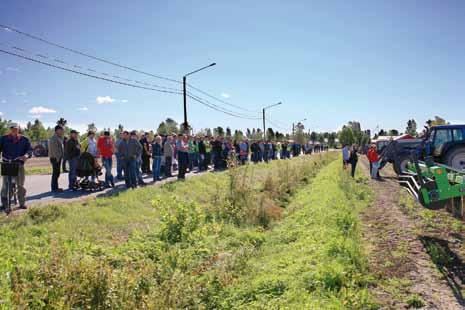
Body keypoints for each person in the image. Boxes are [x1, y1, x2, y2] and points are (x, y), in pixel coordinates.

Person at [0, 123, 32, 211]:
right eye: (12, 128)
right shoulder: (3, 139)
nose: (14, 130)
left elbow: (29, 150)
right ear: (9, 129)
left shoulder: (24, 139)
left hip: (19, 164)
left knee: (20, 185)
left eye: (16, 128)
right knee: (6, 185)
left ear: (18, 129)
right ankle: (4, 204)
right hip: (6, 164)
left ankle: (22, 203)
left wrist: (26, 155)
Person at [48, 125, 65, 192]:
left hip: (57, 158)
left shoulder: (59, 137)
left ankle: (55, 187)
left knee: (57, 173)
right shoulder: (54, 138)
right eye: (61, 130)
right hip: (55, 158)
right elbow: (54, 150)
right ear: (57, 130)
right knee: (56, 173)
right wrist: (58, 158)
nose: (62, 131)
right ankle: (54, 188)